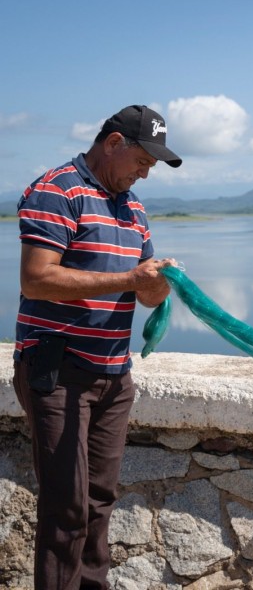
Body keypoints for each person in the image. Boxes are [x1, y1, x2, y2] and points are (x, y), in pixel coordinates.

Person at [13, 105, 182, 589]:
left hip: (113, 374)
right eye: (142, 160)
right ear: (112, 143)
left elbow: (143, 292)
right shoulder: (57, 190)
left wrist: (157, 283)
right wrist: (130, 277)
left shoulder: (133, 209)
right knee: (67, 506)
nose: (146, 172)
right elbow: (37, 279)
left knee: (99, 503)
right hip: (58, 370)